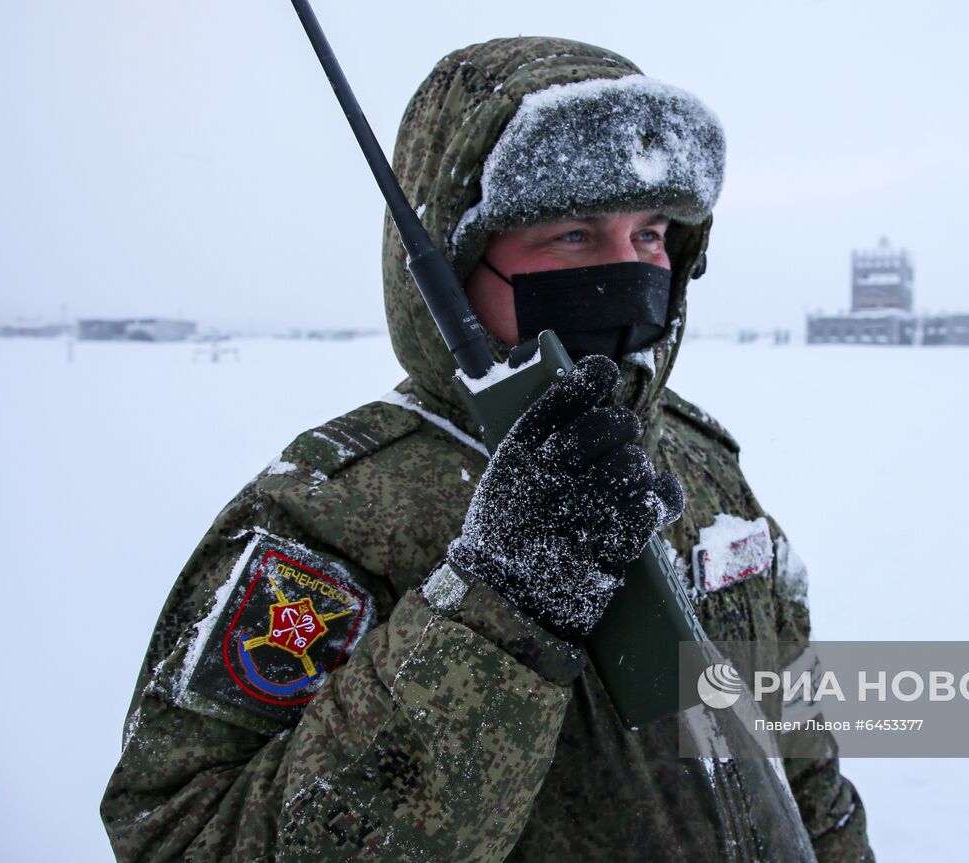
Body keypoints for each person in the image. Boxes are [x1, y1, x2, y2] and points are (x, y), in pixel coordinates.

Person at [102, 36, 874, 861]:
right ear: (455, 262)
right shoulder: (336, 517)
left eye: (651, 235)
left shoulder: (699, 465)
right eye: (574, 235)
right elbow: (184, 837)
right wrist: (500, 607)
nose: (627, 270)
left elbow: (795, 744)